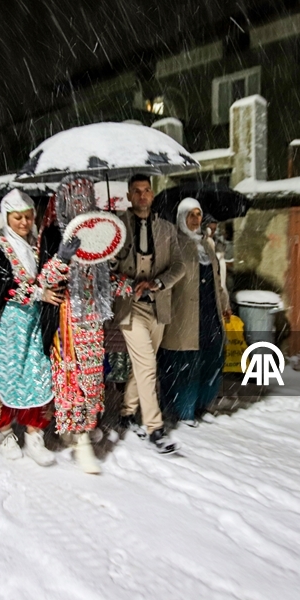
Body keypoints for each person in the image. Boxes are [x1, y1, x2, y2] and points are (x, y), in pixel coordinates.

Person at [38, 175, 134, 474]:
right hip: (69, 318)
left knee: (93, 378)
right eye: (75, 198)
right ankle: (79, 439)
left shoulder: (98, 235)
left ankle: (83, 425)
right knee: (72, 379)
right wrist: (62, 259)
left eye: (86, 198)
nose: (82, 204)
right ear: (65, 201)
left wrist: (127, 286)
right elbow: (45, 281)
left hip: (94, 319)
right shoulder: (56, 235)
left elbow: (102, 280)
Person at [0, 189, 61, 467]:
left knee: (37, 373)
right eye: (17, 217)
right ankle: (4, 433)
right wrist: (39, 293)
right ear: (6, 218)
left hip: (34, 322)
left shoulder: (37, 247)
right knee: (3, 374)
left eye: (27, 217)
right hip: (7, 323)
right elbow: (1, 286)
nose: (23, 223)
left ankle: (34, 433)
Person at [112, 174, 186, 453]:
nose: (142, 196)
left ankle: (127, 411)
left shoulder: (167, 229)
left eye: (146, 191)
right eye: (136, 191)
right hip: (131, 308)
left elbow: (180, 267)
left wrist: (157, 282)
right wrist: (117, 261)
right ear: (129, 196)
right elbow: (109, 267)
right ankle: (155, 428)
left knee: (143, 365)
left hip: (158, 306)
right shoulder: (116, 226)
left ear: (152, 195)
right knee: (147, 368)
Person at [158, 198, 231, 425]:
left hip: (209, 310)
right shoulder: (173, 243)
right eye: (190, 214)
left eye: (198, 214)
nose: (195, 219)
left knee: (212, 358)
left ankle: (201, 405)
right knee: (184, 362)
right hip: (183, 312)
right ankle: (182, 410)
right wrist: (162, 313)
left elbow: (217, 279)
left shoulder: (206, 244)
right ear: (181, 217)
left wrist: (225, 303)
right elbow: (164, 279)